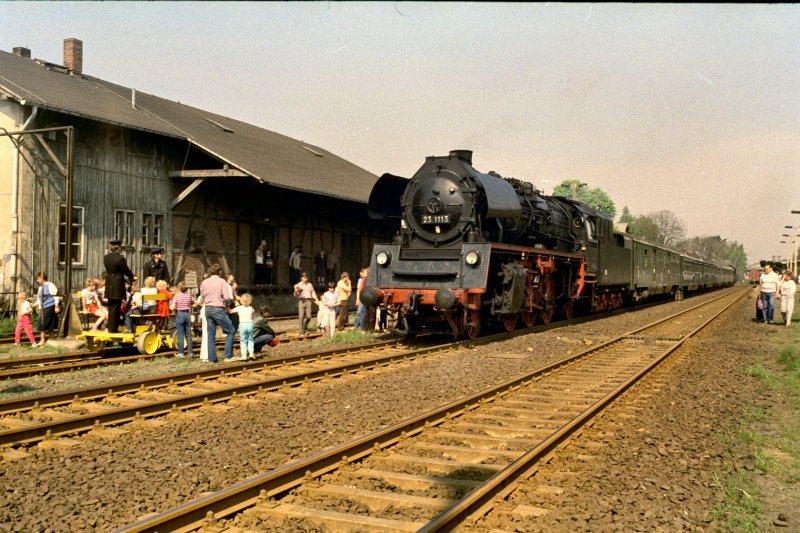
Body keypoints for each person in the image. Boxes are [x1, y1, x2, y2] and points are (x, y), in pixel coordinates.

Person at [199, 263, 236, 362]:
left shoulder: (204, 282)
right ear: (220, 272)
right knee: (231, 330)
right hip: (218, 309)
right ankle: (228, 356)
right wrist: (228, 307)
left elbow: (202, 297)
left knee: (210, 335)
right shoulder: (222, 281)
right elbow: (227, 298)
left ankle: (212, 359)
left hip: (207, 309)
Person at [103, 238, 134, 333]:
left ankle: (110, 326)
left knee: (111, 305)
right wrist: (131, 276)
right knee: (116, 306)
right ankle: (113, 328)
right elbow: (126, 270)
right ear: (119, 247)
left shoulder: (106, 257)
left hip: (109, 282)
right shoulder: (120, 258)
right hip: (117, 283)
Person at [31, 271, 58, 345]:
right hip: (44, 307)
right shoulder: (40, 288)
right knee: (45, 323)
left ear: (42, 278)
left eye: (38, 279)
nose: (37, 280)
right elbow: (39, 300)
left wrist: (56, 306)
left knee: (43, 323)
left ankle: (43, 340)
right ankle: (49, 339)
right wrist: (33, 305)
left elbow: (55, 296)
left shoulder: (50, 285)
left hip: (50, 306)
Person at [173, 281, 195, 358]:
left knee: (180, 335)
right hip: (187, 314)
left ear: (179, 288)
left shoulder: (176, 296)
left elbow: (172, 307)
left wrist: (174, 307)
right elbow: (194, 303)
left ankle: (181, 353)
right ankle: (191, 352)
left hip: (180, 314)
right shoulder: (189, 296)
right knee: (188, 335)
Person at [231, 293, 255, 360]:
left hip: (242, 325)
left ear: (241, 301)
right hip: (250, 324)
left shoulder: (239, 308)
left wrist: (228, 308)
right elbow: (253, 311)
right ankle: (251, 354)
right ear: (250, 301)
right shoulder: (251, 308)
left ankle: (244, 355)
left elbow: (231, 311)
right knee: (250, 339)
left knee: (243, 341)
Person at [293, 272, 318, 336]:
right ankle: (301, 331)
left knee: (309, 316)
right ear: (301, 278)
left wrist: (316, 299)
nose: (305, 279)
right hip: (301, 301)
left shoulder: (310, 284)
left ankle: (305, 327)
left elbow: (313, 292)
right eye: (304, 278)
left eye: (306, 278)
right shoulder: (298, 285)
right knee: (301, 317)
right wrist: (296, 291)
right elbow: (295, 295)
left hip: (308, 301)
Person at [353, 268, 368, 332]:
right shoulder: (360, 280)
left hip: (367, 297)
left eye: (363, 273)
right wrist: (357, 299)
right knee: (359, 312)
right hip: (362, 297)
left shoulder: (368, 279)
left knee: (364, 313)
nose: (361, 274)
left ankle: (362, 327)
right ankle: (355, 325)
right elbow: (358, 290)